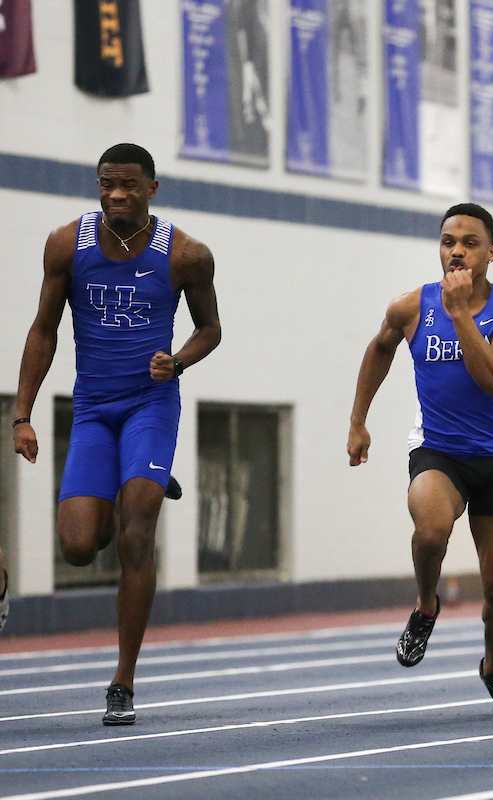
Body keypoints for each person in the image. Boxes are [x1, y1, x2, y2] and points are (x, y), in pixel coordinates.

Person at [12, 143, 222, 722]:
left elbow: (211, 329)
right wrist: (23, 414)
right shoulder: (66, 244)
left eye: (128, 185)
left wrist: (178, 361)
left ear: (151, 189)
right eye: (106, 184)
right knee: (80, 547)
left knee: (137, 532)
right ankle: (138, 480)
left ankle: (123, 680)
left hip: (151, 402)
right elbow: (43, 331)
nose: (115, 195)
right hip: (94, 407)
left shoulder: (185, 254)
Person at [347, 203, 493, 715]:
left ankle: (492, 665)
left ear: (491, 253)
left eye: (470, 242)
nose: (456, 250)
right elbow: (380, 348)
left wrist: (458, 315)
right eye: (449, 241)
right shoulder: (411, 307)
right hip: (439, 450)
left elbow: (492, 376)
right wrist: (358, 420)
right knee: (430, 530)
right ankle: (426, 604)